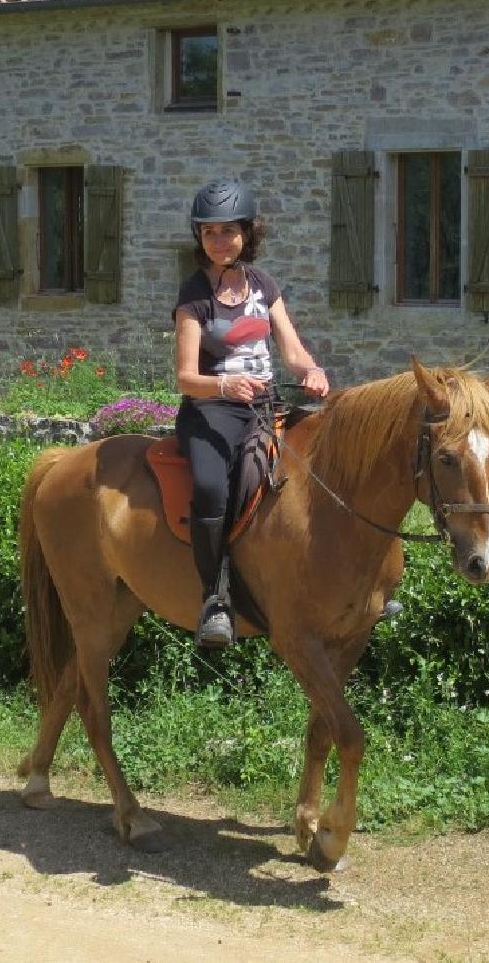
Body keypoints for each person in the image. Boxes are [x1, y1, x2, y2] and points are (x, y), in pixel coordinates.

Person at [173, 180, 330, 648]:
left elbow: (292, 349)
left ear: (247, 233)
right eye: (210, 233)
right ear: (200, 238)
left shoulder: (264, 285)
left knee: (326, 458)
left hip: (264, 405)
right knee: (209, 485)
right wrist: (224, 384)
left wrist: (311, 369)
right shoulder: (194, 294)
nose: (220, 242)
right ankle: (215, 598)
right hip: (210, 410)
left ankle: (348, 582)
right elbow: (184, 377)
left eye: (229, 232)